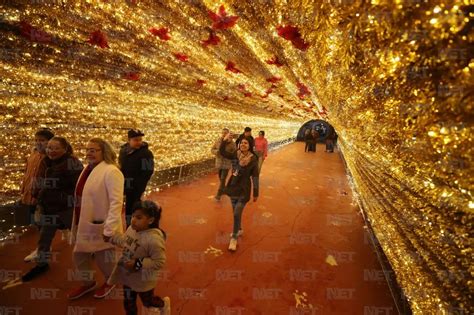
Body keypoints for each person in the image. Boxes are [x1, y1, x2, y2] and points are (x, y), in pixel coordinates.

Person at [68, 138, 124, 300]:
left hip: (102, 224)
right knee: (79, 255)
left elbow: (116, 202)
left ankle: (110, 281)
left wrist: (109, 228)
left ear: (104, 151)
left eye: (93, 150)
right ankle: (88, 283)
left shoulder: (111, 171)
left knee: (104, 258)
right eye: (87, 150)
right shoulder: (88, 169)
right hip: (84, 221)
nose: (89, 153)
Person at [21, 137, 83, 281]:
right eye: (49, 147)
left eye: (56, 148)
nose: (51, 151)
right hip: (50, 207)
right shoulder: (46, 161)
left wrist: (61, 198)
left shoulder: (72, 164)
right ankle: (42, 264)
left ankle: (94, 251)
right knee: (44, 238)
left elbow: (77, 187)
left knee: (79, 232)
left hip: (65, 208)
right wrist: (39, 196)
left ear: (65, 149)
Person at [104, 200, 170, 315]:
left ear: (150, 220)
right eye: (133, 216)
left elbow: (159, 261)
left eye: (139, 217)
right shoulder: (132, 229)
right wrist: (112, 238)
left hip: (144, 280)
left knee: (148, 301)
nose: (133, 220)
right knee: (128, 303)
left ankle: (164, 305)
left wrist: (138, 263)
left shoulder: (154, 240)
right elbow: (126, 241)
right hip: (128, 277)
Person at [219, 134, 259, 252]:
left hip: (244, 189)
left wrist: (256, 192)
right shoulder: (235, 155)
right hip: (233, 187)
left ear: (250, 146)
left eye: (246, 143)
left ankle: (234, 238)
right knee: (235, 212)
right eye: (241, 142)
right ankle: (239, 228)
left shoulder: (253, 159)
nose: (243, 144)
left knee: (236, 213)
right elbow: (222, 152)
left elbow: (255, 177)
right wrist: (224, 141)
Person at [20, 128, 55, 262]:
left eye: (42, 140)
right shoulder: (33, 155)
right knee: (36, 222)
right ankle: (43, 248)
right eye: (36, 140)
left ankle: (42, 250)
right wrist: (23, 190)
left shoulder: (50, 158)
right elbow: (27, 174)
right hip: (30, 195)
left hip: (41, 197)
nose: (38, 143)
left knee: (42, 223)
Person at [119, 129, 154, 226]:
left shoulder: (146, 153)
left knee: (134, 208)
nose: (138, 142)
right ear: (129, 140)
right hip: (124, 185)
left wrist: (139, 186)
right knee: (126, 207)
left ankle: (133, 227)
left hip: (136, 187)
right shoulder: (124, 152)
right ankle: (129, 226)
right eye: (136, 140)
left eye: (140, 140)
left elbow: (148, 172)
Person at [211, 128, 236, 201]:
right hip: (219, 163)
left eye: (225, 133)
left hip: (226, 164)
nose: (224, 134)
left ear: (228, 134)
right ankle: (224, 188)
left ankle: (218, 195)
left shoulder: (232, 144)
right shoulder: (218, 141)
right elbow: (212, 149)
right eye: (223, 133)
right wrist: (216, 152)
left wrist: (227, 154)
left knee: (222, 179)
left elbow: (234, 154)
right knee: (221, 178)